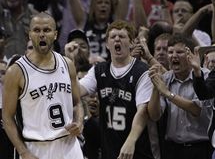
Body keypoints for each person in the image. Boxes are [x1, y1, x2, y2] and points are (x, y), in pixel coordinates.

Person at [2, 12, 84, 159]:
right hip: (36, 148)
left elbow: (77, 103)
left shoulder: (68, 64)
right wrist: (23, 152)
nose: (41, 35)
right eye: (36, 30)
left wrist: (79, 122)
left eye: (46, 30)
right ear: (29, 34)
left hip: (69, 145)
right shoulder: (16, 72)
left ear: (55, 34)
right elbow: (7, 118)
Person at [79, 20, 154, 159]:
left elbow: (143, 111)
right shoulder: (99, 70)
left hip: (136, 149)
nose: (117, 39)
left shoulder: (141, 71)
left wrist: (131, 140)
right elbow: (76, 91)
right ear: (107, 44)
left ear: (131, 43)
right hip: (110, 149)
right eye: (113, 37)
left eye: (122, 36)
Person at [147, 33, 213, 159]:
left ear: (190, 55)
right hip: (172, 150)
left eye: (179, 52)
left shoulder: (204, 76)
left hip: (200, 148)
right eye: (170, 52)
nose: (174, 56)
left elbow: (197, 109)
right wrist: (156, 87)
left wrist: (168, 94)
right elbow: (154, 115)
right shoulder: (165, 79)